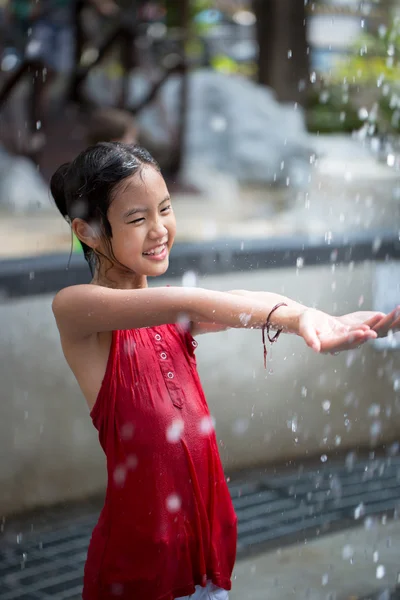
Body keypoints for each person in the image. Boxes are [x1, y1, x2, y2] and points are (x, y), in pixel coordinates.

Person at [50, 142, 399, 600]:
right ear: (89, 231)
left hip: (202, 550)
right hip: (138, 563)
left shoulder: (168, 310)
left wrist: (313, 315)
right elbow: (188, 301)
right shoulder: (77, 308)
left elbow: (237, 303)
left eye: (166, 209)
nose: (159, 230)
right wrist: (293, 317)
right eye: (137, 219)